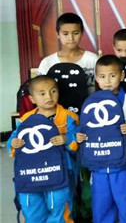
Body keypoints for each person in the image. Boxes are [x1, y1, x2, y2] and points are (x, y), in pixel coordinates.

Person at [76, 55, 126, 223]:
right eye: (102, 76)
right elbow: (84, 126)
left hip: (123, 165)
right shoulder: (91, 102)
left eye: (112, 76)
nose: (107, 81)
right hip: (98, 165)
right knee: (101, 205)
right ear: (96, 78)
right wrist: (79, 135)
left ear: (121, 76)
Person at [8, 75, 78, 223]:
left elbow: (78, 139)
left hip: (60, 173)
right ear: (32, 99)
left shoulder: (68, 117)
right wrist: (13, 143)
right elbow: (12, 143)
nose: (49, 97)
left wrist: (66, 139)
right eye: (42, 93)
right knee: (32, 210)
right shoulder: (25, 120)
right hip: (31, 173)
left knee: (60, 208)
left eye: (53, 91)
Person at [37, 12, 98, 87]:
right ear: (58, 34)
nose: (71, 38)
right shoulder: (47, 62)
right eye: (65, 34)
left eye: (76, 33)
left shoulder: (92, 59)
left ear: (82, 33)